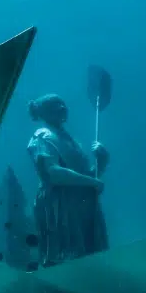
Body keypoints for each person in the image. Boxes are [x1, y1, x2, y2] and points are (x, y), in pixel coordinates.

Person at [26, 94, 109, 266]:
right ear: (45, 112)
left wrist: (101, 161)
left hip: (81, 205)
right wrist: (92, 182)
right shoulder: (43, 136)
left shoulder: (68, 139)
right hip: (60, 206)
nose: (62, 108)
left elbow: (87, 175)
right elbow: (53, 173)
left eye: (62, 104)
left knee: (90, 256)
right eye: (56, 106)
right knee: (67, 258)